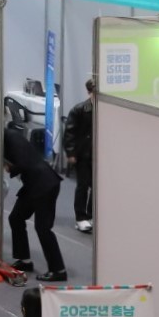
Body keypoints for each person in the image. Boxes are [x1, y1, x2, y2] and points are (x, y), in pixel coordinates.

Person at [3, 129, 67, 281]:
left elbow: (23, 162)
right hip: (33, 183)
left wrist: (10, 167)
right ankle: (24, 260)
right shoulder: (9, 137)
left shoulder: (11, 137)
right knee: (16, 218)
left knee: (43, 228)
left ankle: (58, 270)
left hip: (44, 184)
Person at [64, 79, 95, 232]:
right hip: (83, 154)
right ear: (90, 92)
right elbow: (69, 133)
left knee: (97, 187)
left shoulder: (105, 110)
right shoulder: (79, 110)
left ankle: (91, 215)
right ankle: (80, 218)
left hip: (99, 155)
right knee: (82, 185)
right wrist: (71, 153)